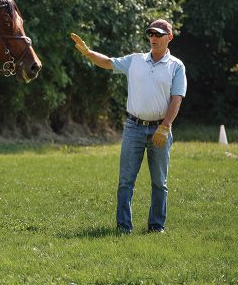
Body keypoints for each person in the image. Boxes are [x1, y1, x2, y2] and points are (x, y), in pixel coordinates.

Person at [71, 19, 187, 234]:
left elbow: (177, 98)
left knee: (159, 182)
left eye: (159, 34)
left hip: (160, 129)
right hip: (133, 127)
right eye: (151, 33)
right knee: (126, 181)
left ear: (169, 37)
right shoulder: (135, 60)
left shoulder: (176, 66)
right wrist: (88, 53)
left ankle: (156, 226)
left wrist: (165, 126)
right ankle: (123, 227)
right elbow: (108, 62)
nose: (153, 37)